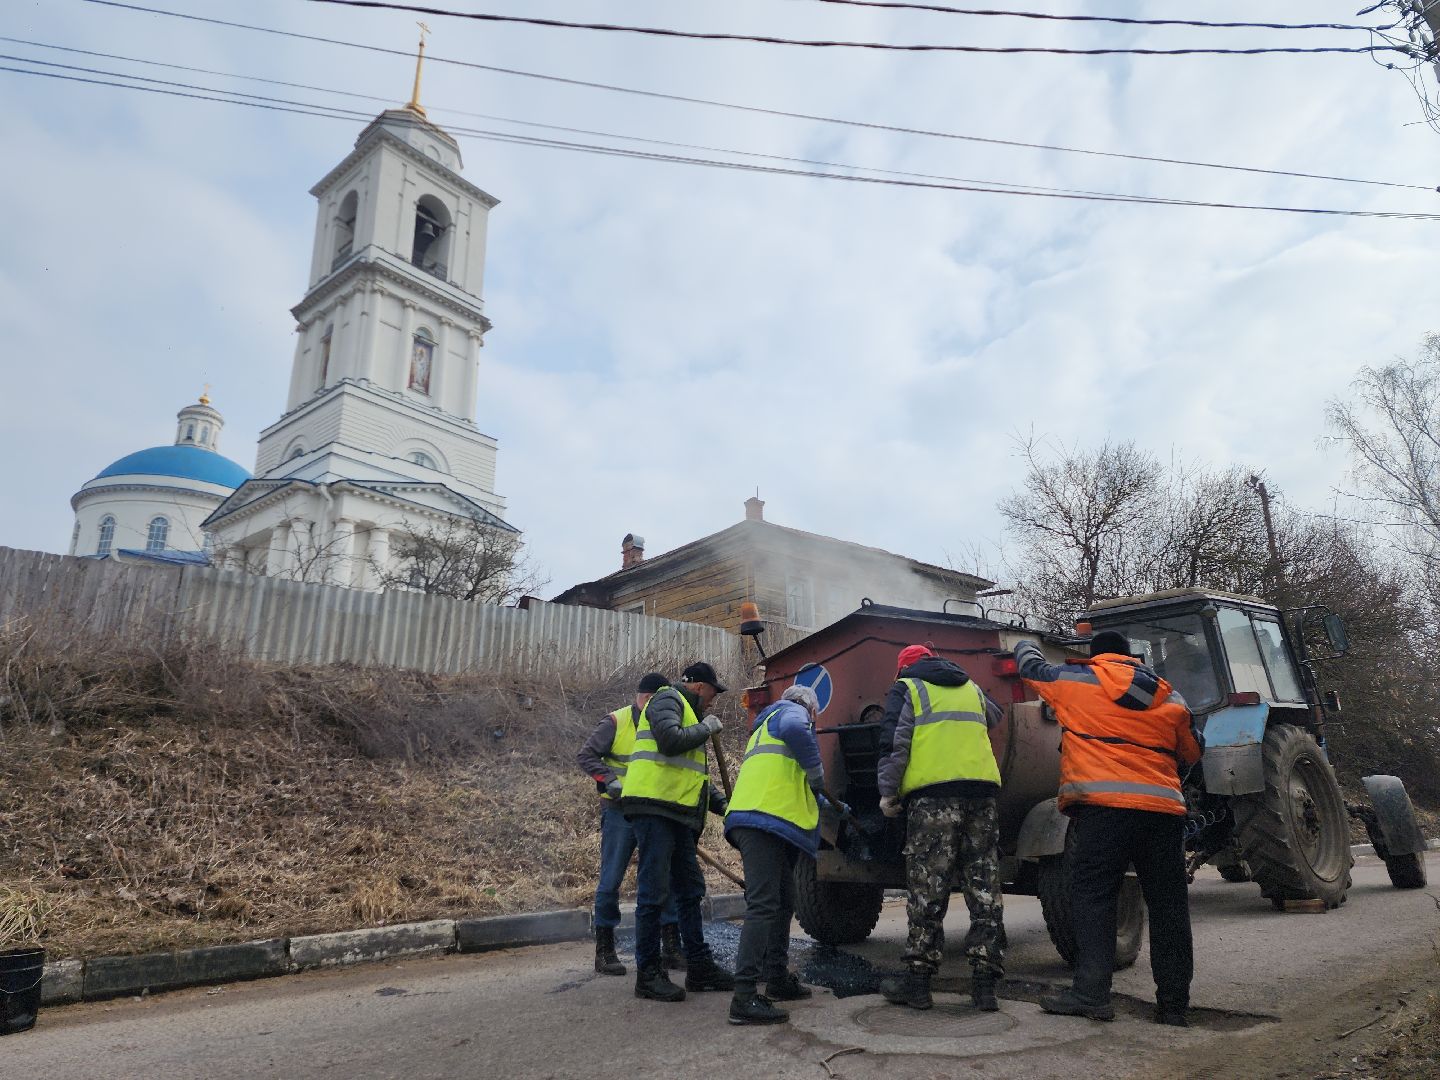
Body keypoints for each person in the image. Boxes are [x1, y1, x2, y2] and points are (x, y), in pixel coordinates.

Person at [1015, 630, 1203, 1027]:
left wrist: (1023, 642)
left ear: (1096, 655)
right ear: (1131, 656)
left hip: (1103, 812)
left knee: (1095, 898)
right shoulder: (1171, 696)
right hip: (1162, 813)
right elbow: (1192, 750)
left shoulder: (1076, 681)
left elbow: (1031, 669)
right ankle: (1174, 1006)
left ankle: (1092, 995)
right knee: (1169, 906)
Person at [875, 644, 1006, 1013]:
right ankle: (985, 986)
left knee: (928, 887)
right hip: (981, 795)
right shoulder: (970, 687)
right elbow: (995, 715)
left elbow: (895, 744)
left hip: (934, 798)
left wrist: (888, 792)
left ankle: (918, 983)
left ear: (903, 669)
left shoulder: (907, 688)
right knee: (983, 886)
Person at [723, 684, 849, 1026]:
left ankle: (777, 977)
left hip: (767, 821)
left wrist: (833, 807)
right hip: (764, 821)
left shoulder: (767, 727)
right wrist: (818, 772)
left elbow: (794, 783)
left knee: (783, 900)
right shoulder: (791, 712)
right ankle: (744, 997)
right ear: (811, 708)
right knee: (764, 905)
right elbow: (798, 734)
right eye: (814, 715)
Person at [621, 661, 736, 1002]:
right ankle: (648, 974)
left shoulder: (689, 716)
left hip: (677, 815)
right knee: (653, 892)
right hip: (654, 808)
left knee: (690, 889)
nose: (713, 701)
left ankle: (699, 967)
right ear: (699, 686)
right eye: (713, 693)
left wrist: (730, 807)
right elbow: (670, 741)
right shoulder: (667, 699)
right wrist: (705, 728)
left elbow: (697, 782)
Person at [576, 672, 683, 976]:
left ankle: (670, 947)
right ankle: (605, 950)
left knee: (662, 877)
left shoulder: (662, 723)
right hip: (620, 811)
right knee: (611, 879)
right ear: (647, 698)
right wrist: (608, 779)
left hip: (652, 811)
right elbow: (586, 755)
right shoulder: (616, 722)